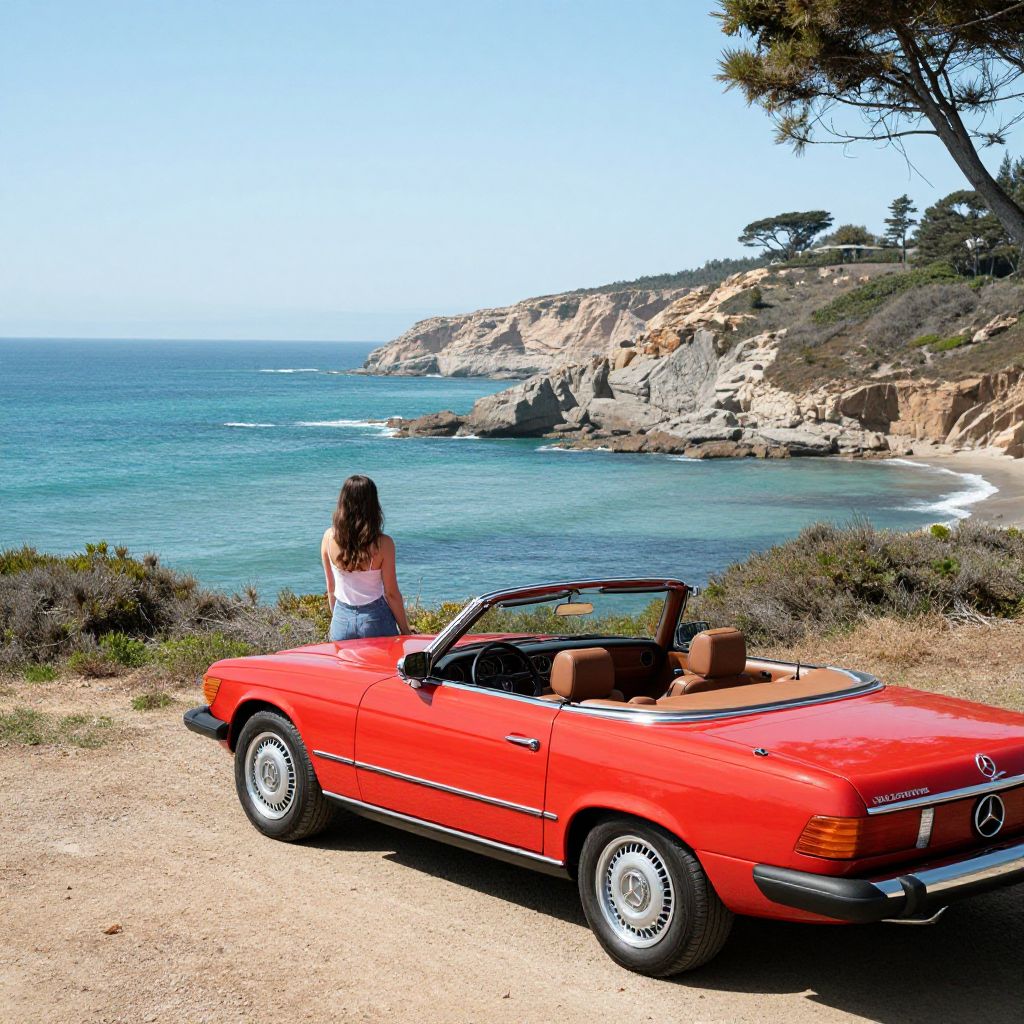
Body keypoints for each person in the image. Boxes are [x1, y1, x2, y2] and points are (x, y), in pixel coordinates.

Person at [321, 475, 411, 640]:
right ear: (372, 505)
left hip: (341, 619)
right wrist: (406, 630)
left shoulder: (328, 538)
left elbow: (331, 589)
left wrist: (339, 619)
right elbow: (391, 594)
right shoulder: (383, 544)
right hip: (375, 619)